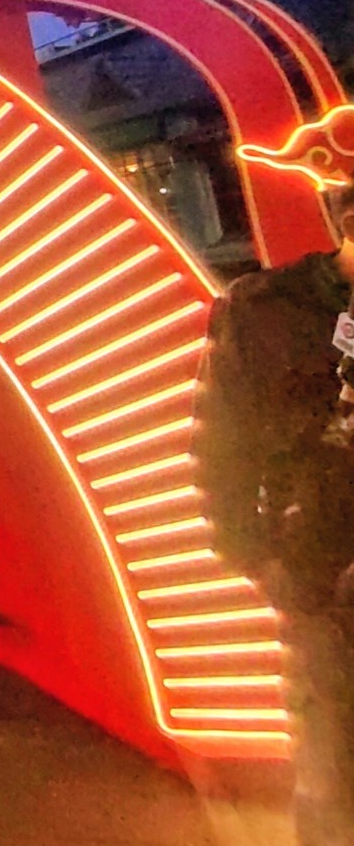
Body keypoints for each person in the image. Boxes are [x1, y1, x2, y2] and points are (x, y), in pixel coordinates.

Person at [194, 155, 354, 843]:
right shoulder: (265, 311)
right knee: (332, 772)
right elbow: (221, 443)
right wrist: (256, 555)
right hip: (321, 573)